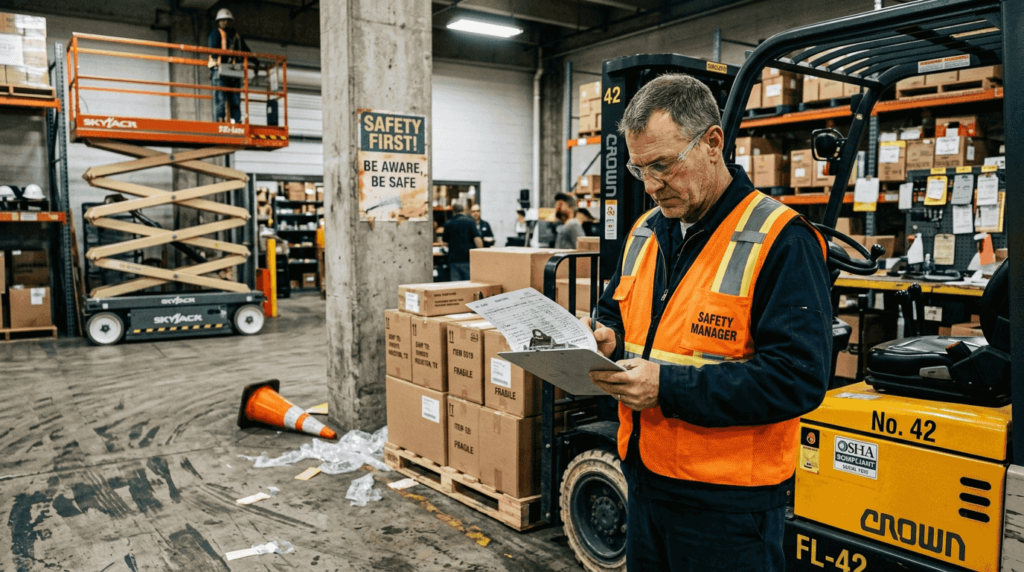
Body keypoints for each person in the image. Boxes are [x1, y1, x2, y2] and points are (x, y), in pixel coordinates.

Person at [584, 74, 832, 571]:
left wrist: (667, 386)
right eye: (639, 170)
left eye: (663, 165)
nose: (652, 186)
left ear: (713, 143)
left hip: (728, 507)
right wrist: (606, 337)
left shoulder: (781, 239)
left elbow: (799, 379)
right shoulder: (647, 231)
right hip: (648, 481)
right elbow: (620, 313)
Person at [208, 9, 255, 123]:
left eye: (227, 20)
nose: (225, 23)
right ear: (219, 22)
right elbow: (212, 49)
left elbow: (245, 50)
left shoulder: (236, 36)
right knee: (220, 98)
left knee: (235, 99)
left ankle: (236, 120)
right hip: (219, 70)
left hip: (233, 71)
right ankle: (219, 120)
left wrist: (255, 61)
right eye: (223, 20)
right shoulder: (215, 34)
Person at [442, 203, 482, 280]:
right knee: (468, 285)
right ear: (463, 211)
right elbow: (477, 239)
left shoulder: (449, 223)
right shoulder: (470, 221)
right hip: (467, 259)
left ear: (453, 211)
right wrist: (481, 253)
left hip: (453, 260)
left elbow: (445, 241)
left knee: (456, 286)